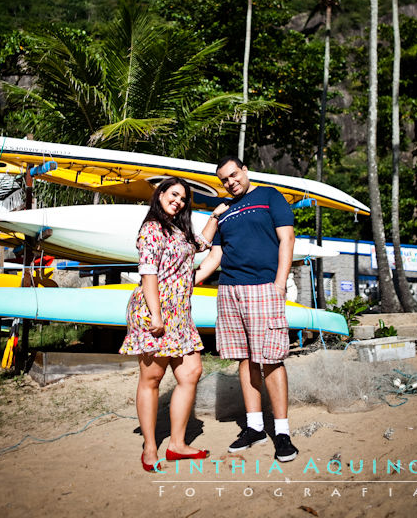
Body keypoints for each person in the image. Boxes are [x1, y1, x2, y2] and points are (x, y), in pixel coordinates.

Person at [119, 176, 228, 472]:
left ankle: (177, 444)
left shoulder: (179, 230)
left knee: (191, 372)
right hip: (154, 309)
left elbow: (201, 243)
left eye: (182, 199)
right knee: (152, 379)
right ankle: (150, 447)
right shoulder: (152, 229)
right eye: (174, 194)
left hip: (179, 312)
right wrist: (156, 316)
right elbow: (149, 275)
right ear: (161, 194)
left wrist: (215, 216)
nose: (178, 201)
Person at [195, 155, 298, 462]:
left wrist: (279, 284)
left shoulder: (269, 196)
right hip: (228, 290)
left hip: (263, 286)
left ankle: (281, 432)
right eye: (224, 180)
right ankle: (254, 426)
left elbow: (287, 238)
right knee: (244, 358)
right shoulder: (225, 211)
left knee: (271, 358)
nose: (230, 182)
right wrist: (189, 280)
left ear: (245, 171)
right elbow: (214, 256)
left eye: (233, 175)